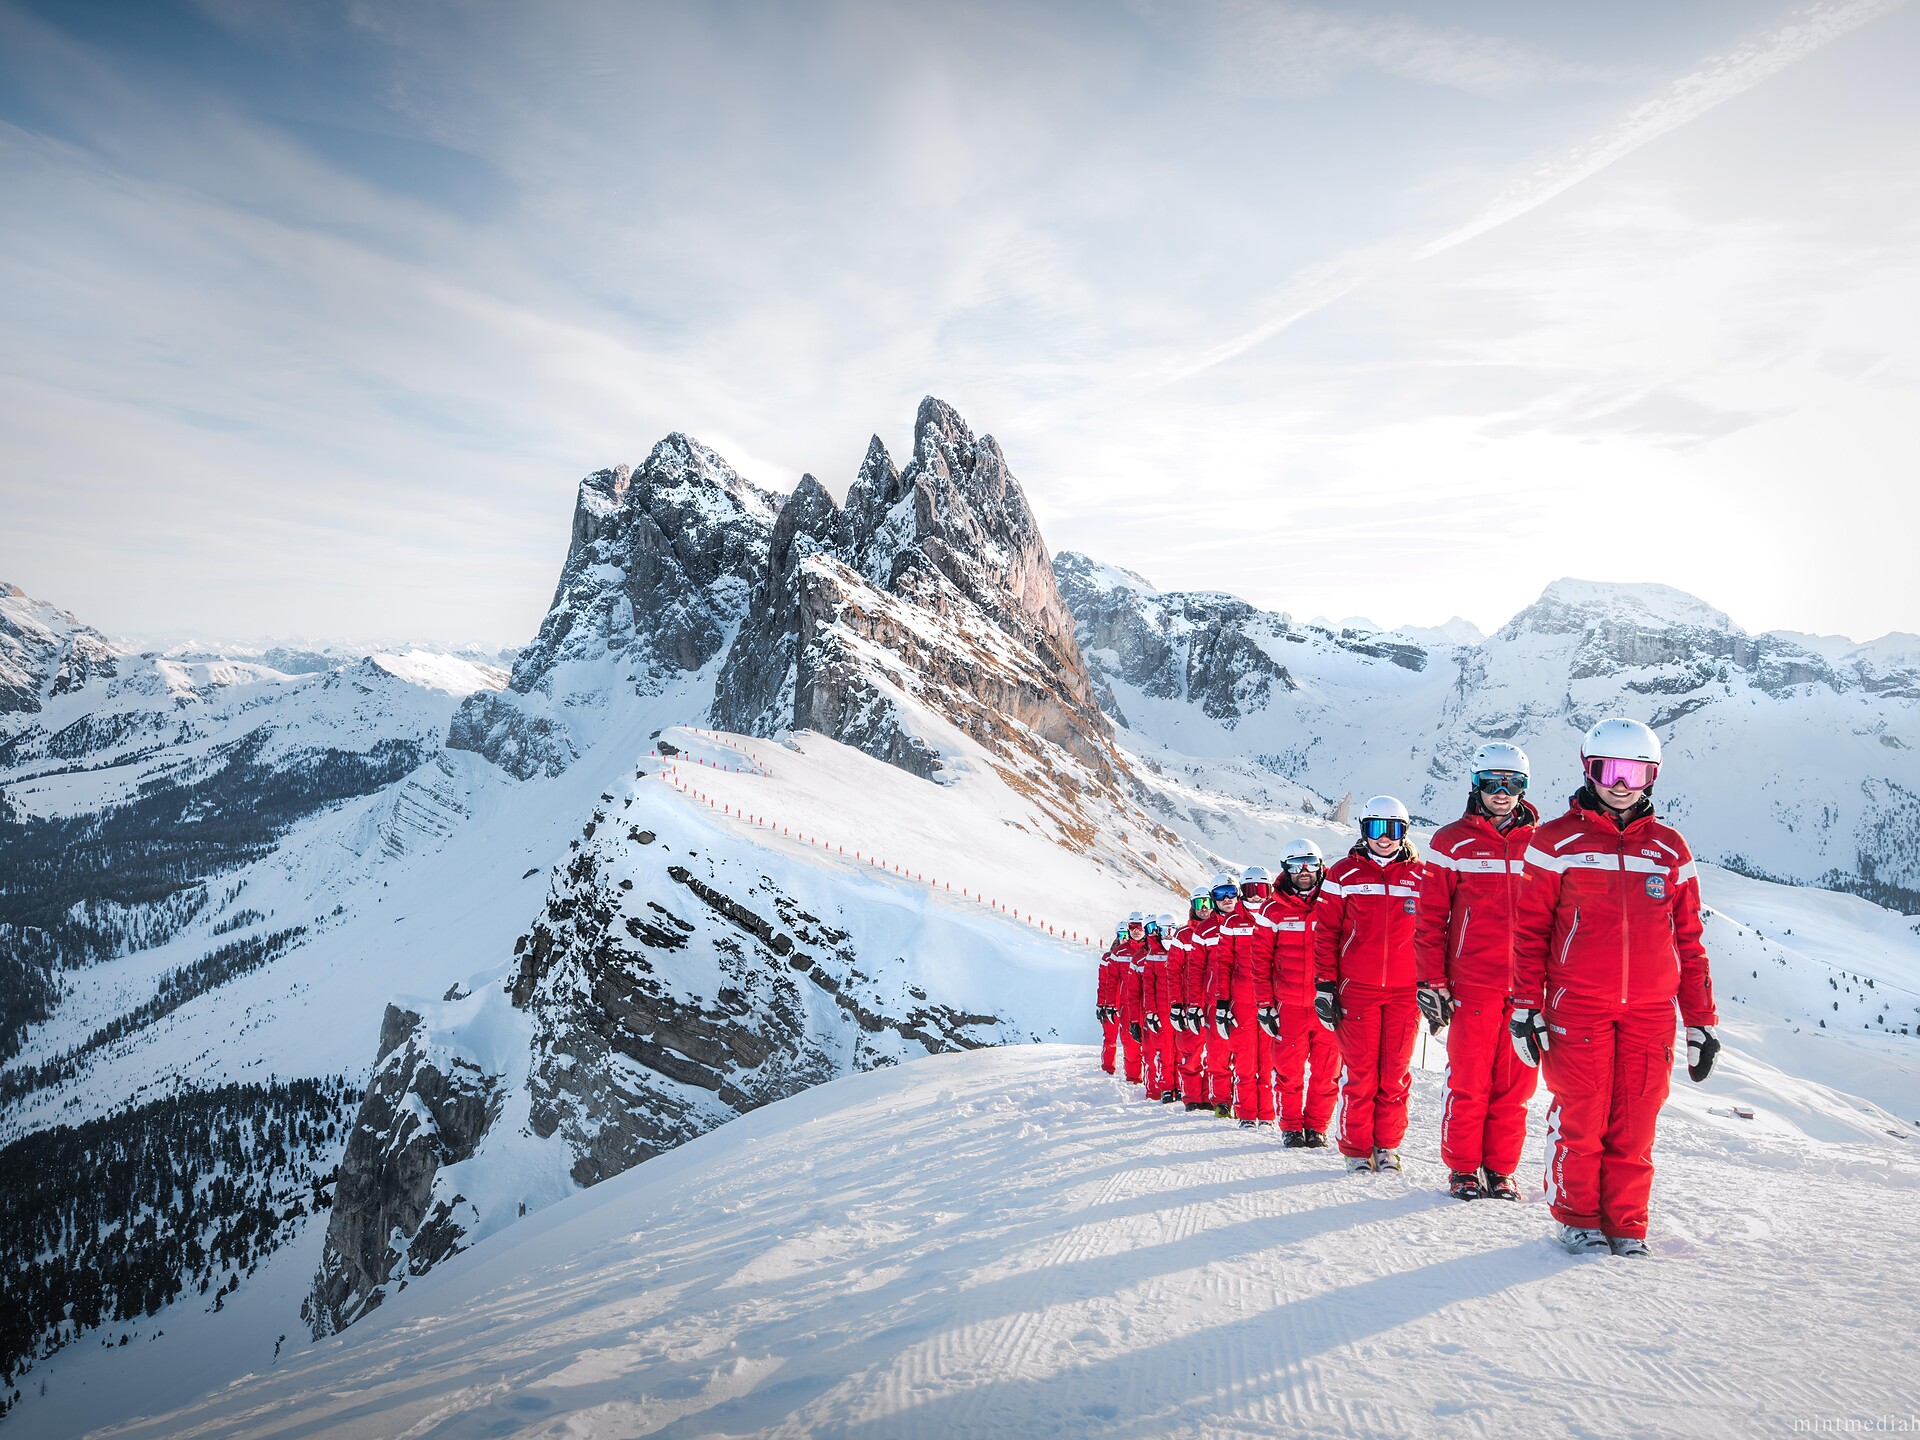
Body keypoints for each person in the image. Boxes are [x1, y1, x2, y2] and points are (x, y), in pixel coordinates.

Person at [1510, 718, 1720, 1258]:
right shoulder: (1555, 841)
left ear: (1651, 776)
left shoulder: (1670, 849)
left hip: (1650, 1011)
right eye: (1608, 770)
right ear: (1588, 769)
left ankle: (1626, 1223)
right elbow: (1529, 931)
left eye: (1635, 771)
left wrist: (1700, 1021)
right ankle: (1578, 1217)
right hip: (1576, 1005)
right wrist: (1525, 1006)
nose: (1620, 783)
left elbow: (1690, 940)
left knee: (1636, 1121)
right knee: (1582, 1115)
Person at [1417, 742, 1541, 1201]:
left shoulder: (1542, 843)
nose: (1503, 792)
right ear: (1476, 785)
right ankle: (1464, 1169)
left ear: (1524, 787)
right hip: (1472, 983)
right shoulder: (1453, 841)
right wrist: (1431, 980)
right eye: (1492, 783)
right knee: (1470, 1081)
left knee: (1516, 1086)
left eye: (1514, 783)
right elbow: (1431, 918)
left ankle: (1500, 1169)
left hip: (1527, 986)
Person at [1313, 797, 1423, 1172]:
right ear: (1364, 831)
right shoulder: (1344, 875)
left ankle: (1386, 1146)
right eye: (1377, 829)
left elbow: (1434, 931)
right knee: (1361, 1073)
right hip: (1356, 988)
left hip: (1406, 991)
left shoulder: (1419, 876)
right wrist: (1325, 984)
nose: (1385, 839)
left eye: (1393, 830)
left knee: (1394, 1073)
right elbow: (1325, 932)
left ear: (1404, 833)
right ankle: (1357, 1148)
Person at [1265, 839, 1338, 1148]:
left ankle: (1317, 1126)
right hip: (1290, 1005)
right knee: (1289, 1071)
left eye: (1310, 863)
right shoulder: (1273, 910)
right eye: (1296, 866)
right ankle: (1292, 1126)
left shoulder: (1335, 901)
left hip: (1328, 1005)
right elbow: (1260, 960)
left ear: (1320, 865)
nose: (1304, 871)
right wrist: (1263, 1005)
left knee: (1327, 1072)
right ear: (1286, 870)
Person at [1220, 867, 1278, 1127]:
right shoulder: (1233, 922)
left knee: (1268, 1060)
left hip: (1271, 1000)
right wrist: (1222, 1003)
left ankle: (1266, 1114)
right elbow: (1223, 965)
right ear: (1242, 891)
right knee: (1244, 1059)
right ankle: (1245, 1113)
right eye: (1251, 891)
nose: (1256, 897)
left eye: (1262, 890)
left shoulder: (1276, 916)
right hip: (1241, 1001)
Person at [1170, 889, 1220, 1111]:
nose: (1205, 907)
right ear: (1192, 905)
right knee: (1191, 1051)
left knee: (1217, 1053)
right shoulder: (1183, 936)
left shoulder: (1223, 929)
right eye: (1200, 903)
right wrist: (1176, 1004)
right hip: (1190, 1002)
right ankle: (1192, 1097)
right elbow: (1173, 971)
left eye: (1209, 902)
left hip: (1213, 1000)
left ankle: (1211, 1095)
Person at [1200, 874, 1242, 1117]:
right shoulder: (1206, 929)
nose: (1226, 899)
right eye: (1219, 894)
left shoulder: (1252, 921)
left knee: (1248, 1056)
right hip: (1215, 1001)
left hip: (1246, 998)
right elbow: (1194, 969)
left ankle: (1244, 1100)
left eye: (1230, 892)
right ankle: (1221, 1101)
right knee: (1218, 1053)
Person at [1138, 915, 1181, 1104]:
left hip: (1179, 1007)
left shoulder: (1180, 949)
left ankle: (1180, 1086)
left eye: (1172, 930)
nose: (1168, 935)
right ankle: (1166, 1087)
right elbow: (1148, 987)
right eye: (1164, 931)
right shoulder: (1153, 954)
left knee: (1182, 1049)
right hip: (1161, 1009)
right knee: (1164, 1050)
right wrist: (1150, 1012)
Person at [1096, 920, 1128, 1076]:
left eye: (1127, 935)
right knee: (1110, 1038)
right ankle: (1108, 1068)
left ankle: (1135, 1071)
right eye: (1122, 935)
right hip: (1111, 1005)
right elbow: (1103, 983)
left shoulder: (1135, 957)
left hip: (1129, 1005)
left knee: (1132, 1040)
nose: (1125, 939)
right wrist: (1101, 1005)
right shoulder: (1108, 958)